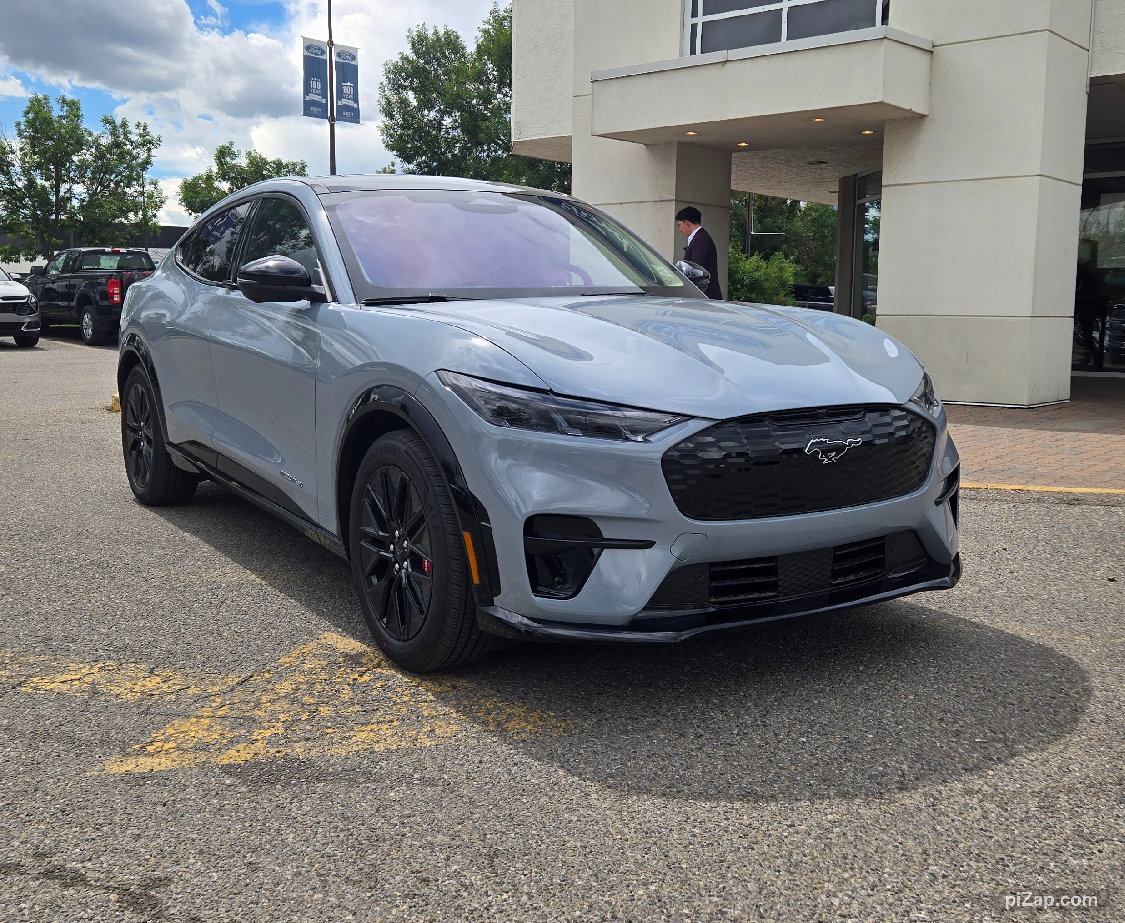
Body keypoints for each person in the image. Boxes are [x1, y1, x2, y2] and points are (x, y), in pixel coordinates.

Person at [676, 206, 723, 300]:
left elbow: (695, 271)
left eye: (680, 225)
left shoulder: (700, 240)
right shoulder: (701, 238)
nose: (680, 230)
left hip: (705, 297)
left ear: (687, 222)